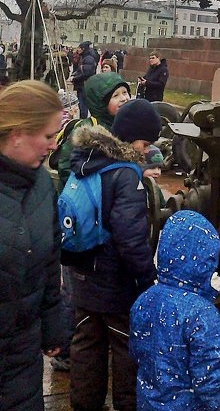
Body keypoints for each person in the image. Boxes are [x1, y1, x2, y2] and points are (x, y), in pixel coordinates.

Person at [65, 121, 156, 411]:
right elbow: (130, 237)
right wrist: (145, 277)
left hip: (81, 271)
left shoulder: (85, 162)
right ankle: (127, 405)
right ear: (130, 140)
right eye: (144, 143)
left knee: (85, 345)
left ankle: (84, 404)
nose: (147, 150)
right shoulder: (126, 174)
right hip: (115, 281)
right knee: (126, 348)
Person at [130, 210, 220, 411]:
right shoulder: (202, 313)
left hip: (148, 403)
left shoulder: (144, 299)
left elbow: (136, 352)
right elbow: (208, 374)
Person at [0, 80, 65, 411]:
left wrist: (53, 323)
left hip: (22, 351)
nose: (53, 146)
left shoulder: (41, 183)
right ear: (17, 134)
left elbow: (50, 258)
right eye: (48, 136)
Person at [70, 40, 97, 118]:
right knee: (81, 105)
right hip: (81, 85)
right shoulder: (84, 58)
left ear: (83, 49)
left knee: (83, 106)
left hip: (84, 85)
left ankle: (83, 121)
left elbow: (86, 72)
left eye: (79, 48)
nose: (78, 50)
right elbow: (80, 70)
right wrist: (74, 75)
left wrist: (74, 78)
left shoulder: (88, 59)